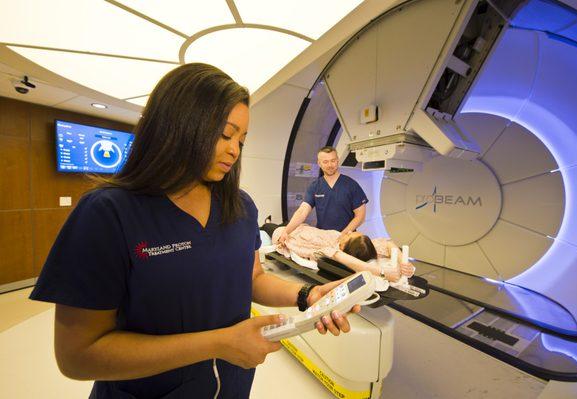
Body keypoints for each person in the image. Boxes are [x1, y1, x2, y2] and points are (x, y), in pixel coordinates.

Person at [29, 63, 359, 399]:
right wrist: (218, 344)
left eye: (242, 140)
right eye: (225, 134)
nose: (235, 150)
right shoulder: (108, 213)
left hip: (230, 386)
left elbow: (251, 278)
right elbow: (78, 355)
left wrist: (306, 296)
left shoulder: (240, 206)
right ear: (179, 125)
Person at [277, 146, 368, 243]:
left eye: (333, 160)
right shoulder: (315, 186)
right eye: (325, 162)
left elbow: (360, 216)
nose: (330, 165)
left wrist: (342, 235)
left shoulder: (351, 185)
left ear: (337, 160)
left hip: (347, 238)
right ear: (319, 163)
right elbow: (302, 211)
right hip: (323, 238)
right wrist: (286, 231)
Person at [272, 224, 415, 282]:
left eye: (349, 236)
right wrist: (404, 261)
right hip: (297, 227)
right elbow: (387, 243)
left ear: (342, 246)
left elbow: (339, 256)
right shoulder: (364, 246)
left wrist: (382, 272)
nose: (349, 231)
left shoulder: (328, 250)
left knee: (268, 227)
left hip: (284, 233)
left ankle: (268, 223)